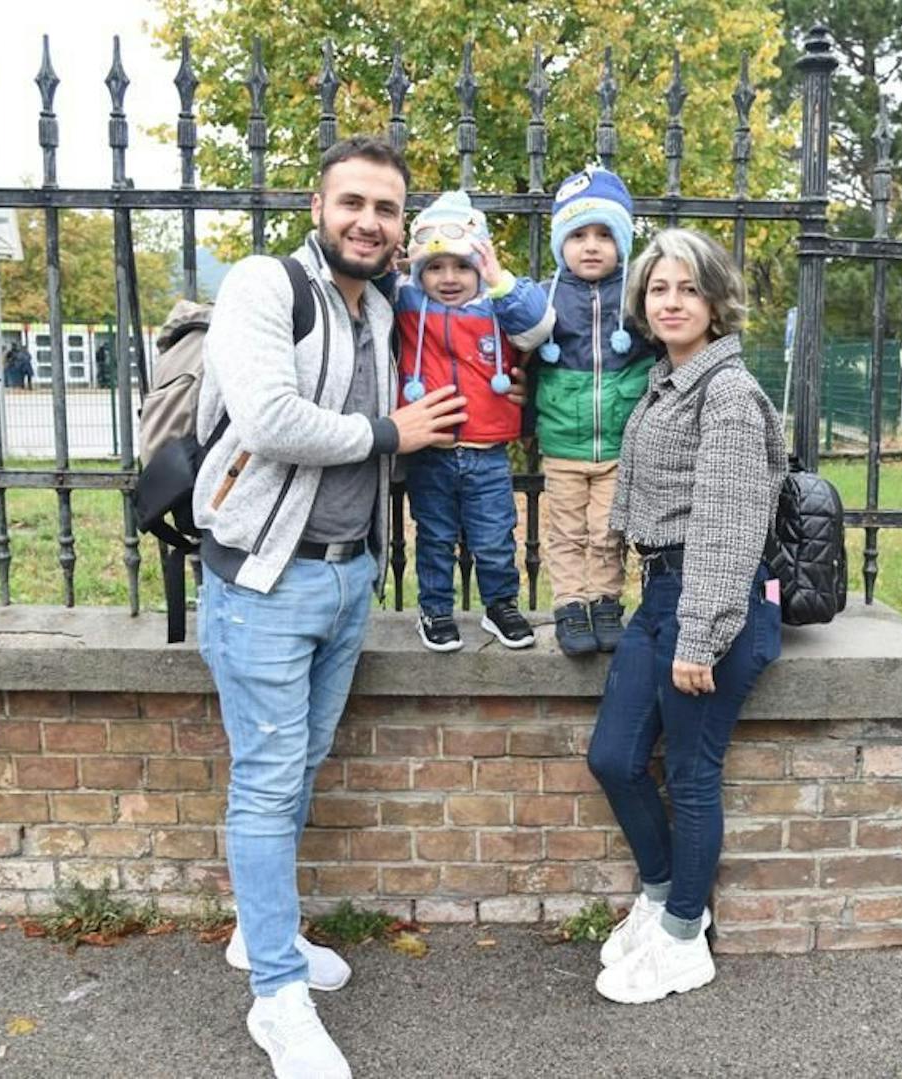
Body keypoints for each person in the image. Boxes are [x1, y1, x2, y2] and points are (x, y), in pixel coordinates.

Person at [192, 135, 467, 1079]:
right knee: (268, 784)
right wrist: (393, 431)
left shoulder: (384, 307)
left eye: (387, 209)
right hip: (265, 579)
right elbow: (269, 420)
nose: (369, 221)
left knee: (299, 765)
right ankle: (277, 992)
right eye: (353, 202)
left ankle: (258, 936)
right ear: (320, 206)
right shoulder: (266, 288)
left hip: (350, 577)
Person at [585, 228, 787, 1005]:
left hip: (714, 603)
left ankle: (682, 939)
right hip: (663, 595)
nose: (671, 301)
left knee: (692, 775)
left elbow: (729, 524)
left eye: (687, 289)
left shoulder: (728, 394)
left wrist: (700, 634)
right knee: (614, 756)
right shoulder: (668, 380)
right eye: (659, 288)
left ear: (715, 300)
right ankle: (664, 892)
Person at [394, 190, 554, 652]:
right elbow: (375, 281)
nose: (448, 278)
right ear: (419, 270)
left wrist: (496, 277)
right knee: (435, 538)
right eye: (435, 267)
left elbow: (539, 325)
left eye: (462, 266)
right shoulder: (408, 306)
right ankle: (435, 609)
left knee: (496, 538)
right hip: (432, 452)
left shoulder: (498, 306)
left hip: (488, 454)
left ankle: (501, 606)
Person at [532, 166, 655, 657]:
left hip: (620, 442)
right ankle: (569, 605)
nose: (591, 245)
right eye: (579, 234)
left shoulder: (638, 295)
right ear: (562, 242)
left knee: (609, 529)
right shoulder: (544, 296)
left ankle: (605, 602)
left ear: (622, 242)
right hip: (563, 440)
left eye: (605, 235)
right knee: (565, 530)